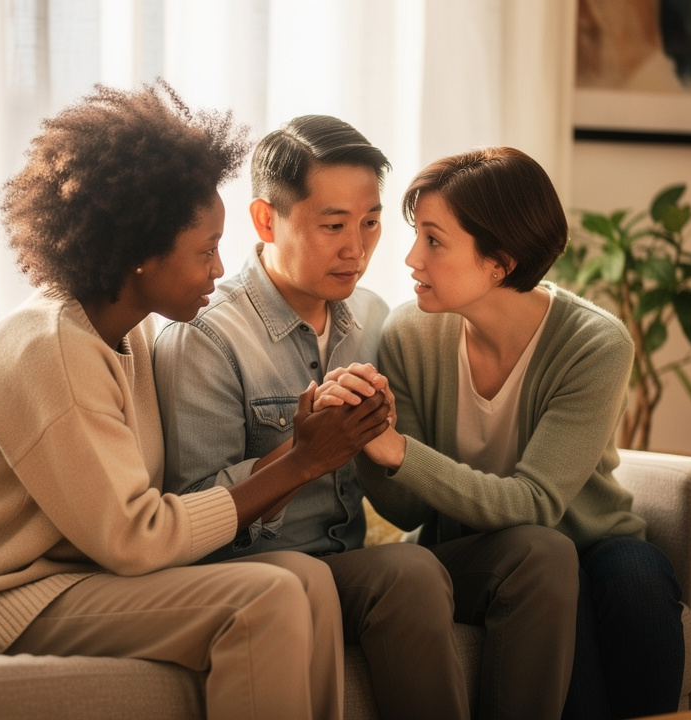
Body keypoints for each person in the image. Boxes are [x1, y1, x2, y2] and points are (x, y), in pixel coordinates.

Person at [0, 83, 392, 720]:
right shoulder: (52, 348)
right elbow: (136, 538)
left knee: (309, 580)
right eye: (205, 251)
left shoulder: (130, 332)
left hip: (75, 578)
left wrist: (305, 451)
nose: (221, 271)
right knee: (264, 597)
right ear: (138, 255)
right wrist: (300, 462)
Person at [327, 146, 685, 720]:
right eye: (417, 234)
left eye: (435, 241)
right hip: (483, 554)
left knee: (637, 584)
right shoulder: (410, 333)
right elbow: (408, 511)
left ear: (500, 262)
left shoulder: (594, 343)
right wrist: (369, 441)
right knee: (555, 591)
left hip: (591, 540)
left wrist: (402, 449)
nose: (412, 258)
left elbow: (537, 503)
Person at [154, 115, 469, 720]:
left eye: (370, 223)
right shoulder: (207, 336)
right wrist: (302, 457)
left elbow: (393, 487)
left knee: (414, 569)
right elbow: (192, 514)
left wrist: (384, 437)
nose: (356, 249)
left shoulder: (373, 319)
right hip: (247, 578)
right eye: (332, 226)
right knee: (370, 576)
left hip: (341, 565)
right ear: (266, 220)